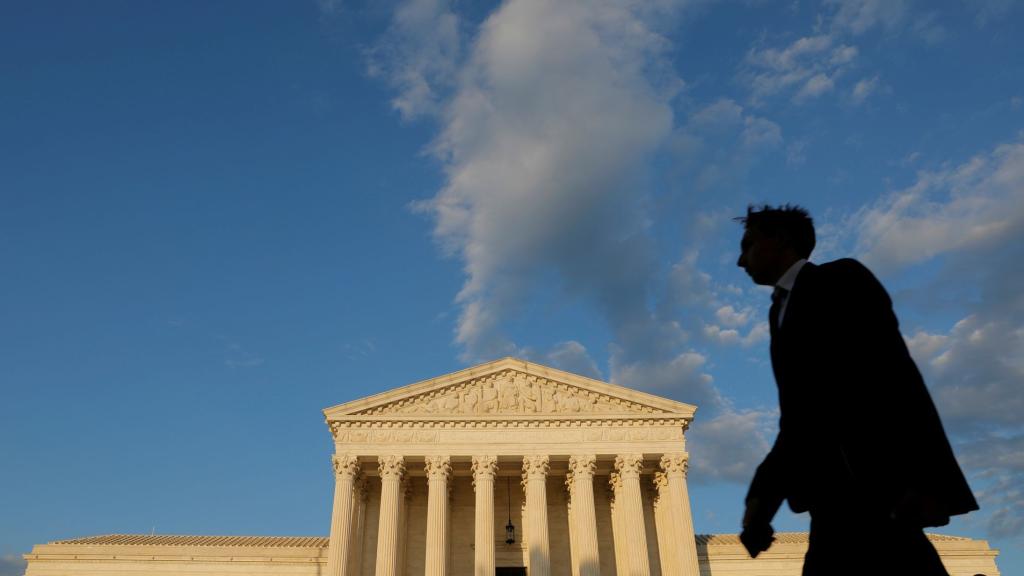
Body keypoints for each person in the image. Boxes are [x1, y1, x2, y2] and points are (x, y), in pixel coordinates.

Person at [735, 204, 978, 575]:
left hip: (876, 484)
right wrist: (760, 504)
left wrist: (922, 478)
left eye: (748, 245)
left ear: (779, 242)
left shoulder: (840, 279)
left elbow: (895, 376)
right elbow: (800, 417)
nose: (741, 260)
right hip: (832, 496)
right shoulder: (779, 311)